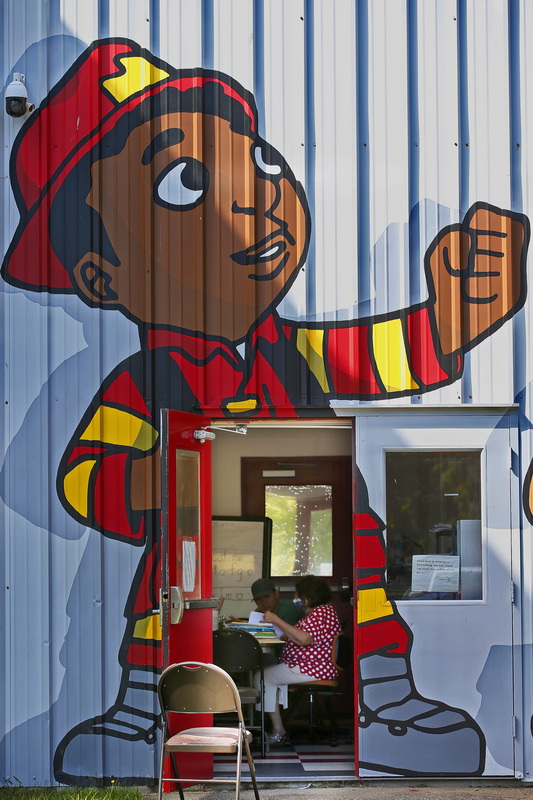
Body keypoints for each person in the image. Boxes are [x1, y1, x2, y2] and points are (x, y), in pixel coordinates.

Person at [1, 37, 528, 780]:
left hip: (314, 554)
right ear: (100, 270)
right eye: (186, 183)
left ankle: (375, 701)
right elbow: (86, 476)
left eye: (262, 160)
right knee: (173, 616)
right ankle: (149, 710)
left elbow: (376, 352)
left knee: (349, 607)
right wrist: (154, 482)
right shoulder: (149, 380)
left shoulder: (295, 352)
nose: (250, 192)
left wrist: (449, 321)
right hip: (201, 579)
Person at [255, 575, 341, 744]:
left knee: (261, 677)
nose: (295, 598)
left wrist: (276, 620)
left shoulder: (321, 613)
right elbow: (300, 637)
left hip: (312, 668)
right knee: (269, 673)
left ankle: (278, 731)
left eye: (297, 595)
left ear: (308, 596)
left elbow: (305, 639)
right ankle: (278, 726)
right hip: (308, 666)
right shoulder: (318, 613)